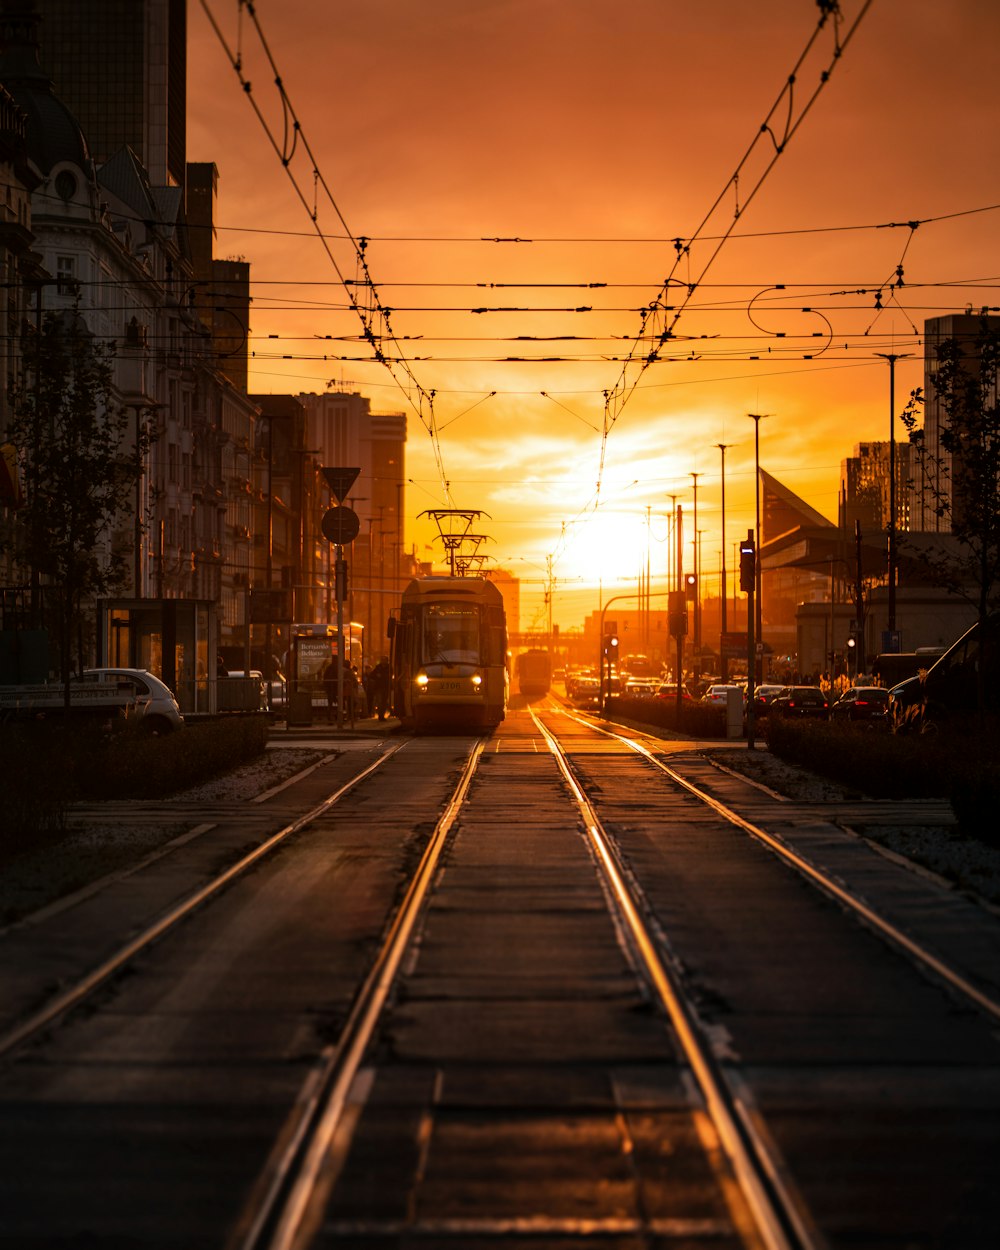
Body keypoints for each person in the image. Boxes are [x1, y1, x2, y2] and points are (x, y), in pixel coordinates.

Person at [371, 657, 391, 721]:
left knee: (384, 702)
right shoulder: (378, 667)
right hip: (379, 687)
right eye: (382, 660)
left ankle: (382, 715)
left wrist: (381, 676)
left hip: (386, 686)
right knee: (380, 702)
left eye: (385, 660)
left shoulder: (389, 668)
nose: (383, 661)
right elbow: (372, 675)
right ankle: (380, 715)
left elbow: (390, 675)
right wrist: (377, 676)